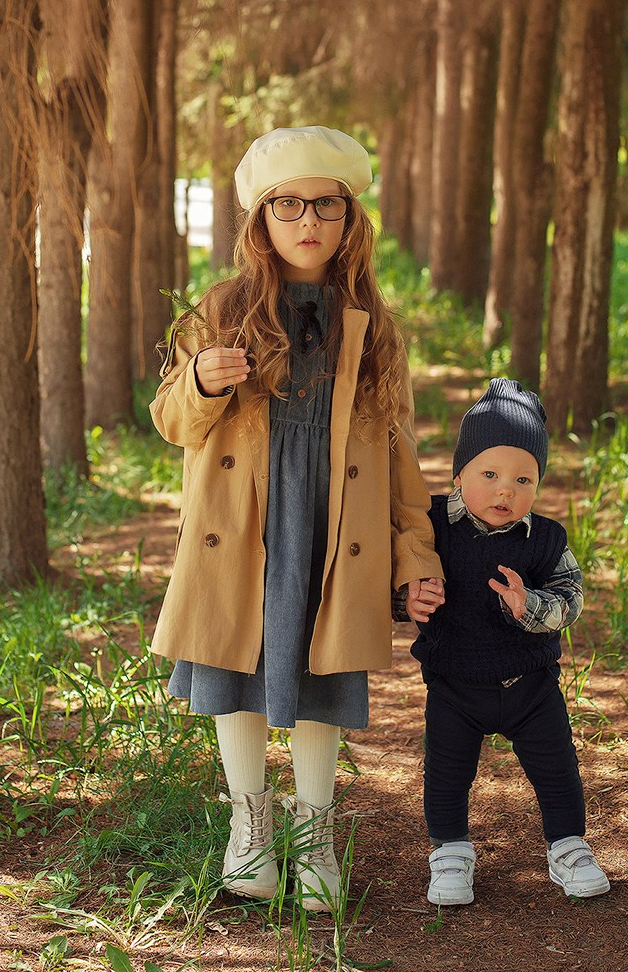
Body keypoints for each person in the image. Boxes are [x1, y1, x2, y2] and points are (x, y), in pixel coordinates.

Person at [150, 125, 444, 910]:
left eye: (325, 204)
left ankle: (313, 831)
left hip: (331, 525)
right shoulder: (223, 309)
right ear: (260, 220)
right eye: (287, 205)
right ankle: (248, 824)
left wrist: (416, 555)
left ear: (349, 220)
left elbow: (400, 452)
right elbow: (173, 421)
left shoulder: (372, 324)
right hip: (241, 526)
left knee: (320, 666)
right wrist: (203, 382)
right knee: (235, 666)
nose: (306, 219)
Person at [405, 378, 610, 906]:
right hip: (455, 683)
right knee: (447, 771)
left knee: (556, 767)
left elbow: (571, 596)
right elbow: (398, 576)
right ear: (458, 476)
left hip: (530, 684)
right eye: (489, 474)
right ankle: (450, 850)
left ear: (538, 486)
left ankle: (568, 846)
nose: (505, 491)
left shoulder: (545, 538)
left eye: (523, 479)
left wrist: (532, 606)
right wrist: (408, 598)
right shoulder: (431, 527)